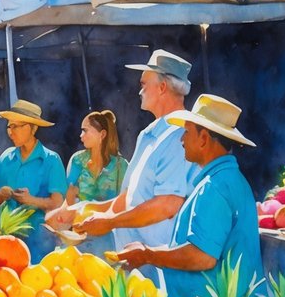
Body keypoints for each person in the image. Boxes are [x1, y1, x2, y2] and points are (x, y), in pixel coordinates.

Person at [114, 95, 261, 297]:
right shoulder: (224, 180)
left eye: (187, 132)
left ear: (204, 139)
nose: (181, 140)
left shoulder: (215, 187)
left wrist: (148, 255)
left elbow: (202, 257)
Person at [51, 50, 197, 260]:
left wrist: (110, 222)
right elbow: (127, 199)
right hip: (134, 260)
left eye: (144, 85)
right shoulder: (147, 135)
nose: (140, 92)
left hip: (160, 262)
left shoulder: (180, 134)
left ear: (162, 87)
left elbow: (167, 205)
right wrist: (85, 208)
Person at [0, 100, 67, 215]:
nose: (10, 132)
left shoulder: (51, 160)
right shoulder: (6, 157)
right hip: (2, 228)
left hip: (38, 230)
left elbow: (58, 203)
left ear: (34, 128)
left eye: (15, 126)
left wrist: (31, 200)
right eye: (9, 127)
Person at [66, 111, 129, 205]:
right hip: (80, 218)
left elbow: (125, 202)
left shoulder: (121, 166)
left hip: (111, 218)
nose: (81, 135)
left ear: (102, 134)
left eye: (85, 130)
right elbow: (67, 200)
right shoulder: (77, 160)